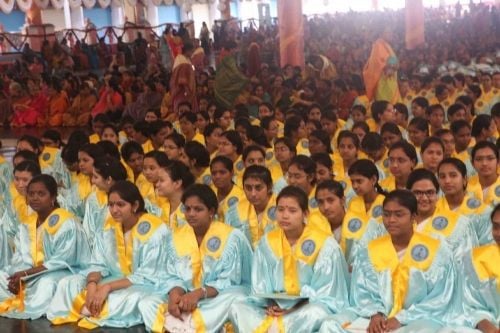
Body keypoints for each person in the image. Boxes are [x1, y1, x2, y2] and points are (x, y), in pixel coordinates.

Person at [320, 190, 456, 332]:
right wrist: (376, 314)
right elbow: (362, 292)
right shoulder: (369, 251)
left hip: (418, 318)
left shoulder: (436, 251)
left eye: (399, 214)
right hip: (372, 316)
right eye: (386, 214)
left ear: (414, 217)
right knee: (330, 324)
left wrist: (401, 318)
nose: (391, 220)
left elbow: (439, 298)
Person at [47, 181, 169, 329]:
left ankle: (93, 310)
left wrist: (107, 288)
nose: (114, 210)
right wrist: (92, 286)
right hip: (112, 277)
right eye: (111, 205)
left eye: (120, 204)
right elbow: (98, 263)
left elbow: (148, 275)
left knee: (127, 298)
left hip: (143, 284)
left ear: (135, 205)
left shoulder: (155, 230)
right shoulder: (108, 225)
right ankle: (89, 308)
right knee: (68, 283)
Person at [229, 186, 349, 332]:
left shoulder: (324, 245)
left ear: (305, 213)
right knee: (237, 307)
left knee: (315, 313)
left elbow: (327, 294)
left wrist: (293, 308)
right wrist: (271, 304)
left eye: (292, 211)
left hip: (307, 307)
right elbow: (260, 287)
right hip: (273, 308)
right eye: (280, 210)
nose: (285, 216)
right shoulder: (267, 243)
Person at [138, 184, 252, 332]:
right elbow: (170, 275)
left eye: (198, 209)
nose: (191, 214)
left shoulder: (231, 237)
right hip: (183, 298)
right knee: (146, 303)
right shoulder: (174, 237)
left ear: (211, 211)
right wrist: (174, 296)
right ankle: (186, 324)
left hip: (215, 298)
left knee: (237, 298)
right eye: (187, 209)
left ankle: (179, 325)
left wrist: (199, 294)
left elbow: (230, 281)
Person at [0, 175, 89, 319]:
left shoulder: (66, 223)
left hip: (62, 272)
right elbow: (20, 257)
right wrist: (17, 275)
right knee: (2, 277)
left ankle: (29, 307)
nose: (35, 198)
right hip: (30, 273)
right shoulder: (26, 224)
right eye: (31, 194)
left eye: (41, 194)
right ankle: (18, 297)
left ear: (53, 196)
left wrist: (27, 274)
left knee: (46, 283)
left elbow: (62, 261)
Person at [407, 168, 478, 259]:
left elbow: (467, 262)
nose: (424, 198)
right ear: (408, 193)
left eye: (430, 192)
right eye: (417, 193)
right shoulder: (397, 223)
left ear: (437, 195)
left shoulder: (460, 224)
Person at [450, 204, 499, 333]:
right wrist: (487, 326)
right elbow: (468, 305)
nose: (499, 233)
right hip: (488, 324)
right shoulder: (474, 259)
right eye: (496, 227)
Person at [437, 158, 493, 245]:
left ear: (464, 179)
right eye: (442, 177)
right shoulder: (434, 209)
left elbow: (488, 246)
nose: (447, 181)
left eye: (453, 175)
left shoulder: (482, 211)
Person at [342, 159, 386, 265]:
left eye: (359, 181)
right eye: (353, 182)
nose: (355, 186)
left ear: (373, 180)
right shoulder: (352, 203)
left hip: (377, 260)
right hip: (351, 261)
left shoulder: (386, 203)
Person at [225, 165, 277, 247]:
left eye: (258, 188)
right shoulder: (234, 212)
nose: (253, 194)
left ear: (269, 187)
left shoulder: (283, 208)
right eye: (248, 188)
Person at [82, 157, 127, 249]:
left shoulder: (130, 197)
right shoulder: (93, 199)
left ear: (109, 180)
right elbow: (88, 232)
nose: (92, 181)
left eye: (96, 177)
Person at [156, 160, 194, 229]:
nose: (157, 184)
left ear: (177, 183)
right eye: (157, 180)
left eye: (161, 180)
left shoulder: (192, 210)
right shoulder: (160, 207)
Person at [210, 156, 244, 223]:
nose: (217, 176)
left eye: (222, 172)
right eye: (214, 173)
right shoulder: (208, 194)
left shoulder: (242, 196)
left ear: (231, 173)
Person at [468, 141, 500, 205]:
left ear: (498, 161)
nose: (484, 163)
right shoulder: (465, 186)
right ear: (472, 163)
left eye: (490, 158)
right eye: (479, 159)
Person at [170, 43, 197, 114]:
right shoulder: (182, 61)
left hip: (182, 90)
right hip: (183, 91)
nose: (192, 53)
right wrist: (187, 90)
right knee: (184, 109)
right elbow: (182, 79)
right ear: (187, 51)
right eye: (192, 51)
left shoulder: (182, 59)